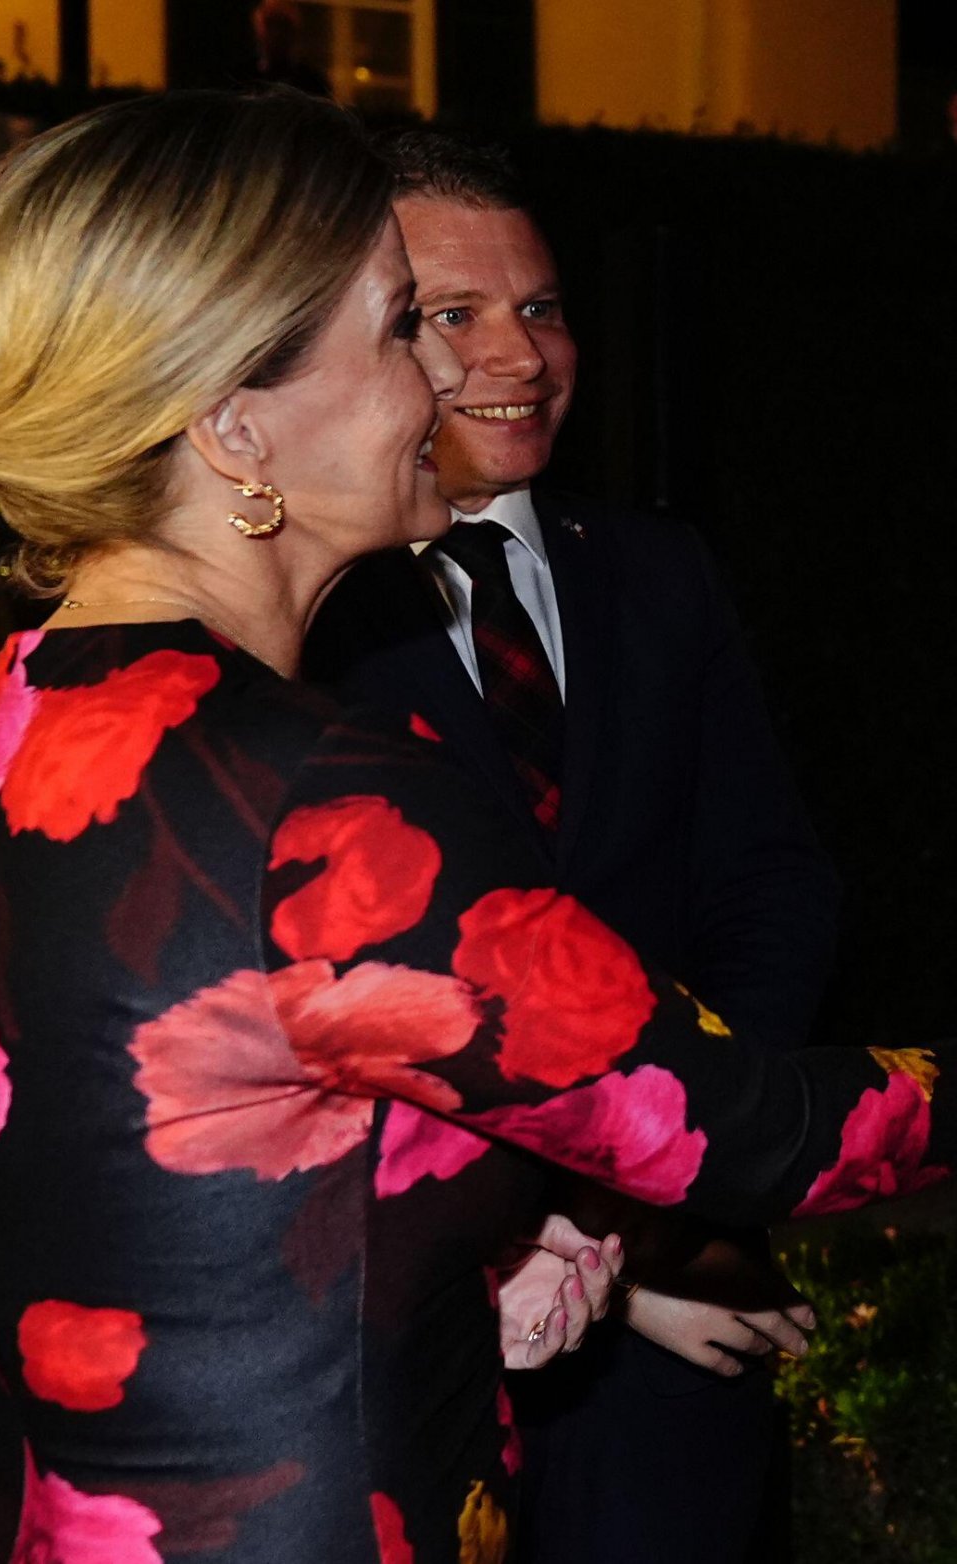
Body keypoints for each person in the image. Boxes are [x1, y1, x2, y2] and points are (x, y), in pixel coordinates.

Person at [0, 91, 953, 1564]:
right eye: (399, 326)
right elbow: (725, 1127)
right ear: (235, 427)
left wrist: (399, 1270)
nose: (446, 381)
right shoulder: (329, 799)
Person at [304, 129, 840, 1564]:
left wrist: (645, 1215)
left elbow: (770, 887)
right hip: (397, 1337)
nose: (520, 357)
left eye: (540, 308)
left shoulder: (660, 571)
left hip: (673, 1308)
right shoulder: (294, 621)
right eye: (452, 316)